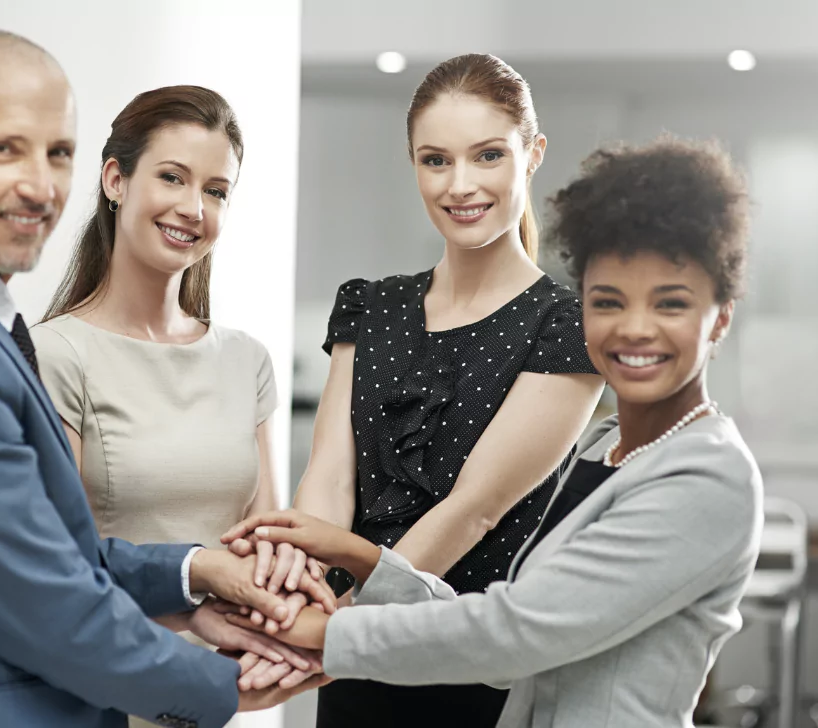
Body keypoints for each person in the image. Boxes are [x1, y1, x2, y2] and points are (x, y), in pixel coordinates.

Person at [0, 31, 325, 728]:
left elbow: (57, 554)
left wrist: (193, 573)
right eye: (4, 149)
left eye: (57, 154)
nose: (39, 185)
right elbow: (47, 602)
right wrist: (223, 686)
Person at [223, 134, 763, 728]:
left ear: (722, 317)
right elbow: (508, 633)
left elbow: (517, 633)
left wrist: (324, 634)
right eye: (607, 302)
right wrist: (359, 556)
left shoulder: (708, 474)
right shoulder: (604, 448)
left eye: (670, 305)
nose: (635, 329)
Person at [282, 53, 603, 724]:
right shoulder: (370, 306)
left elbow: (474, 511)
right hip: (345, 651)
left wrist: (339, 634)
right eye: (436, 160)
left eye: (487, 156)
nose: (460, 185)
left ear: (532, 153)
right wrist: (304, 599)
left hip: (463, 660)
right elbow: (329, 481)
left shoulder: (565, 323)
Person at [30, 84, 330, 727]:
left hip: (232, 686)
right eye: (173, 177)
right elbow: (66, 568)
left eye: (216, 191)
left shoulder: (245, 359)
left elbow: (266, 538)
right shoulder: (56, 355)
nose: (194, 208)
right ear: (116, 179)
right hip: (108, 692)